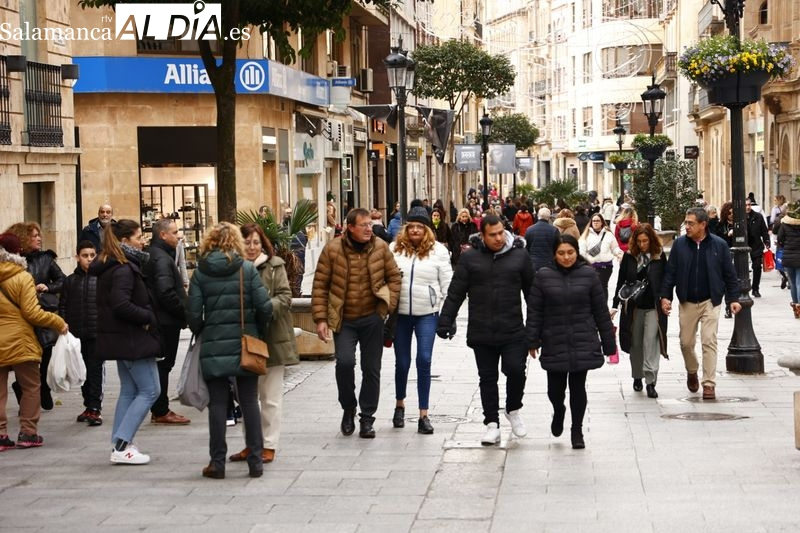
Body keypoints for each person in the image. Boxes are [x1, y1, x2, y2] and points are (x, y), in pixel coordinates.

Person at [438, 214, 534, 445]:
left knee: (515, 370)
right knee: (487, 378)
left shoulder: (520, 256)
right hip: (481, 330)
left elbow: (533, 294)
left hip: (513, 329)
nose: (499, 238)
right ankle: (492, 424)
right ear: (482, 235)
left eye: (501, 232)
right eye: (493, 234)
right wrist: (445, 320)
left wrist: (537, 329)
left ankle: (513, 409)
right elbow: (456, 292)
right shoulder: (470, 258)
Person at [186, 222, 272, 479]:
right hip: (246, 344)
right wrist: (257, 330)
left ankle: (217, 463)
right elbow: (265, 306)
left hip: (213, 345)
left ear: (208, 242)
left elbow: (192, 313)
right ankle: (255, 462)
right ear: (236, 241)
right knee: (249, 402)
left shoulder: (201, 272)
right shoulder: (246, 269)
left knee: (218, 404)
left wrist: (203, 329)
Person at [312, 208, 401, 439]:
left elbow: (394, 277)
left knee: (371, 369)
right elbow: (320, 285)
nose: (369, 229)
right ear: (350, 227)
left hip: (372, 317)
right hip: (345, 319)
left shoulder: (380, 247)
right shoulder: (332, 250)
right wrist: (321, 319)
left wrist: (387, 306)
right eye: (364, 225)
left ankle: (367, 418)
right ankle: (348, 407)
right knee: (344, 363)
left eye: (370, 225)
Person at [526, 234, 615, 449]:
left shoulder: (589, 275)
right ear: (554, 254)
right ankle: (559, 410)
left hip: (582, 339)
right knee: (554, 390)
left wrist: (609, 343)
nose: (566, 257)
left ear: (577, 252)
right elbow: (534, 311)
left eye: (570, 252)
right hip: (553, 339)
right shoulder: (543, 276)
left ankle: (577, 430)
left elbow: (600, 311)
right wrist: (532, 340)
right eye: (561, 253)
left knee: (578, 388)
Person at [89, 220, 162, 465]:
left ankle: (121, 443)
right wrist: (148, 317)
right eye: (139, 236)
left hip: (124, 338)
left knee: (130, 390)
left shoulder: (114, 265)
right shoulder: (123, 268)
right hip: (132, 338)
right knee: (151, 390)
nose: (143, 240)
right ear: (124, 241)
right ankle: (122, 444)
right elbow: (121, 304)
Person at [230, 223, 298, 464]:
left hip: (271, 339)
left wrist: (265, 308)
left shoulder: (274, 265)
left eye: (256, 242)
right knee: (247, 397)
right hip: (243, 340)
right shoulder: (233, 267)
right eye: (246, 242)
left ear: (263, 244)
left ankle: (268, 445)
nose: (251, 247)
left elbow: (285, 296)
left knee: (269, 396)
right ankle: (251, 443)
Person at [659, 207, 741, 400]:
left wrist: (733, 299)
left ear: (703, 225)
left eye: (691, 223)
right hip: (687, 301)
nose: (686, 226)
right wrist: (666, 297)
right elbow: (670, 273)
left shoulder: (719, 245)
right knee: (686, 343)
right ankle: (692, 370)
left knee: (709, 340)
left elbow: (729, 274)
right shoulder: (679, 245)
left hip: (710, 300)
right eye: (686, 223)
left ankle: (709, 384)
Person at [0, 232, 67, 451]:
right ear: (17, 252)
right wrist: (57, 322)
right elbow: (32, 313)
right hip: (21, 340)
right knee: (30, 386)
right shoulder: (22, 276)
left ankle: (1, 435)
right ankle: (28, 433)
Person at [390, 207, 452, 435]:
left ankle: (423, 414)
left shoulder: (438, 252)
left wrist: (447, 315)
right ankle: (399, 405)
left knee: (424, 360)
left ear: (426, 230)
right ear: (406, 229)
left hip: (428, 313)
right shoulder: (394, 250)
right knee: (402, 362)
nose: (415, 230)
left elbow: (448, 285)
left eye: (420, 226)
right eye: (411, 226)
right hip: (401, 315)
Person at [142, 218, 191, 425]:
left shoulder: (157, 254)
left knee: (162, 364)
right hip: (165, 320)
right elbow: (165, 292)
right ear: (163, 235)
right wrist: (183, 312)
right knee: (164, 364)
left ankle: (159, 408)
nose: (178, 235)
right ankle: (161, 409)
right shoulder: (161, 258)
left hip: (162, 318)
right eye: (174, 232)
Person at [611, 224, 668, 398]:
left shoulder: (659, 256)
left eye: (645, 241)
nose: (642, 244)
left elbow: (666, 281)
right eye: (639, 241)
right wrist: (615, 304)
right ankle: (637, 375)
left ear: (651, 240)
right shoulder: (629, 257)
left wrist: (666, 298)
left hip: (653, 306)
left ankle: (651, 381)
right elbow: (621, 281)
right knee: (635, 344)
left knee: (650, 342)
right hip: (633, 307)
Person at [59, 241, 104, 426]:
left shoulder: (101, 278)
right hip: (76, 334)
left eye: (92, 255)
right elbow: (62, 305)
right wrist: (63, 324)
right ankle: (88, 405)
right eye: (85, 256)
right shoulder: (70, 281)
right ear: (78, 258)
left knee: (94, 370)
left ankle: (95, 407)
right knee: (82, 370)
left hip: (96, 333)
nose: (89, 259)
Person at [578, 214, 623, 301]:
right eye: (594, 221)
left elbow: (614, 248)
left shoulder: (609, 235)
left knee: (602, 286)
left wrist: (619, 253)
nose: (595, 223)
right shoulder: (586, 235)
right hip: (591, 267)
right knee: (592, 288)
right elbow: (582, 252)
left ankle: (603, 308)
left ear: (602, 222)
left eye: (597, 221)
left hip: (606, 267)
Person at [776, 203, 800, 318]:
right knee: (799, 283)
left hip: (788, 257)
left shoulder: (784, 225)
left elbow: (780, 240)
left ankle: (795, 306)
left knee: (793, 283)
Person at [746, 198, 771, 298]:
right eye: (745, 205)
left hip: (756, 245)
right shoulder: (739, 217)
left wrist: (767, 241)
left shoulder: (758, 216)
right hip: (743, 246)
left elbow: (764, 231)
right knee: (741, 269)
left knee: (757, 267)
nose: (747, 207)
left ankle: (755, 288)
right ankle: (742, 288)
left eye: (749, 205)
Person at [525, 207, 560, 272]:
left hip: (533, 263)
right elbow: (557, 247)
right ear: (549, 217)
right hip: (549, 263)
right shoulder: (554, 230)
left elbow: (527, 247)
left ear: (538, 216)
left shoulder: (529, 230)